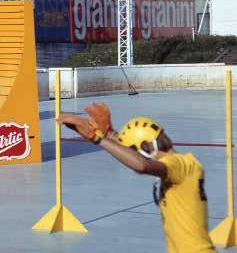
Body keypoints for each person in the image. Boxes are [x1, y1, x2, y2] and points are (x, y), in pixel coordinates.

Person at [59, 103, 216, 253]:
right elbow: (136, 149)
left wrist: (97, 138)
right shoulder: (185, 163)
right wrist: (109, 134)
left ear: (147, 148)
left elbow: (141, 165)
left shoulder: (179, 165)